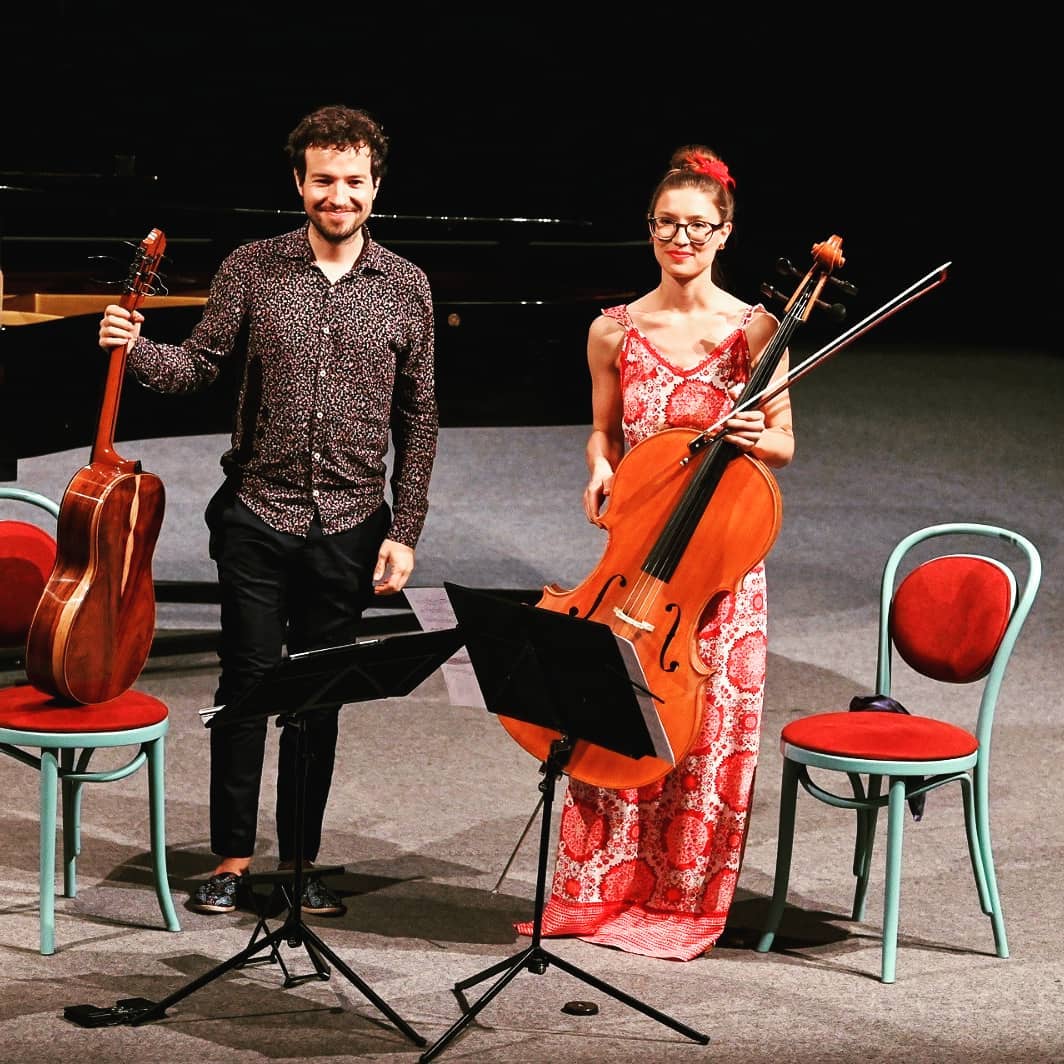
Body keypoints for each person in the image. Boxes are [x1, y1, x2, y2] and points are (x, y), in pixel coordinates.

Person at [97, 104, 438, 917]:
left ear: (375, 185)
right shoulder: (252, 267)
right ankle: (230, 860)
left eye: (354, 181)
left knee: (319, 698)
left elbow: (418, 418)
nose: (339, 194)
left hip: (352, 521)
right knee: (247, 689)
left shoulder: (407, 286)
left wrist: (405, 530)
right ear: (300, 182)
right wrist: (133, 344)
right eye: (324, 180)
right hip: (256, 513)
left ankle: (301, 862)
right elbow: (199, 365)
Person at [516, 145, 794, 960]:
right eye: (668, 225)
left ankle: (683, 899)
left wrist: (757, 434)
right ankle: (600, 887)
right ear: (650, 229)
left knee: (704, 736)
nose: (682, 238)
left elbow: (783, 443)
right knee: (614, 713)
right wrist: (600, 466)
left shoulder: (758, 331)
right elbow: (603, 430)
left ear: (725, 232)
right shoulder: (612, 330)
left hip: (718, 566)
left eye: (698, 226)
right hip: (636, 560)